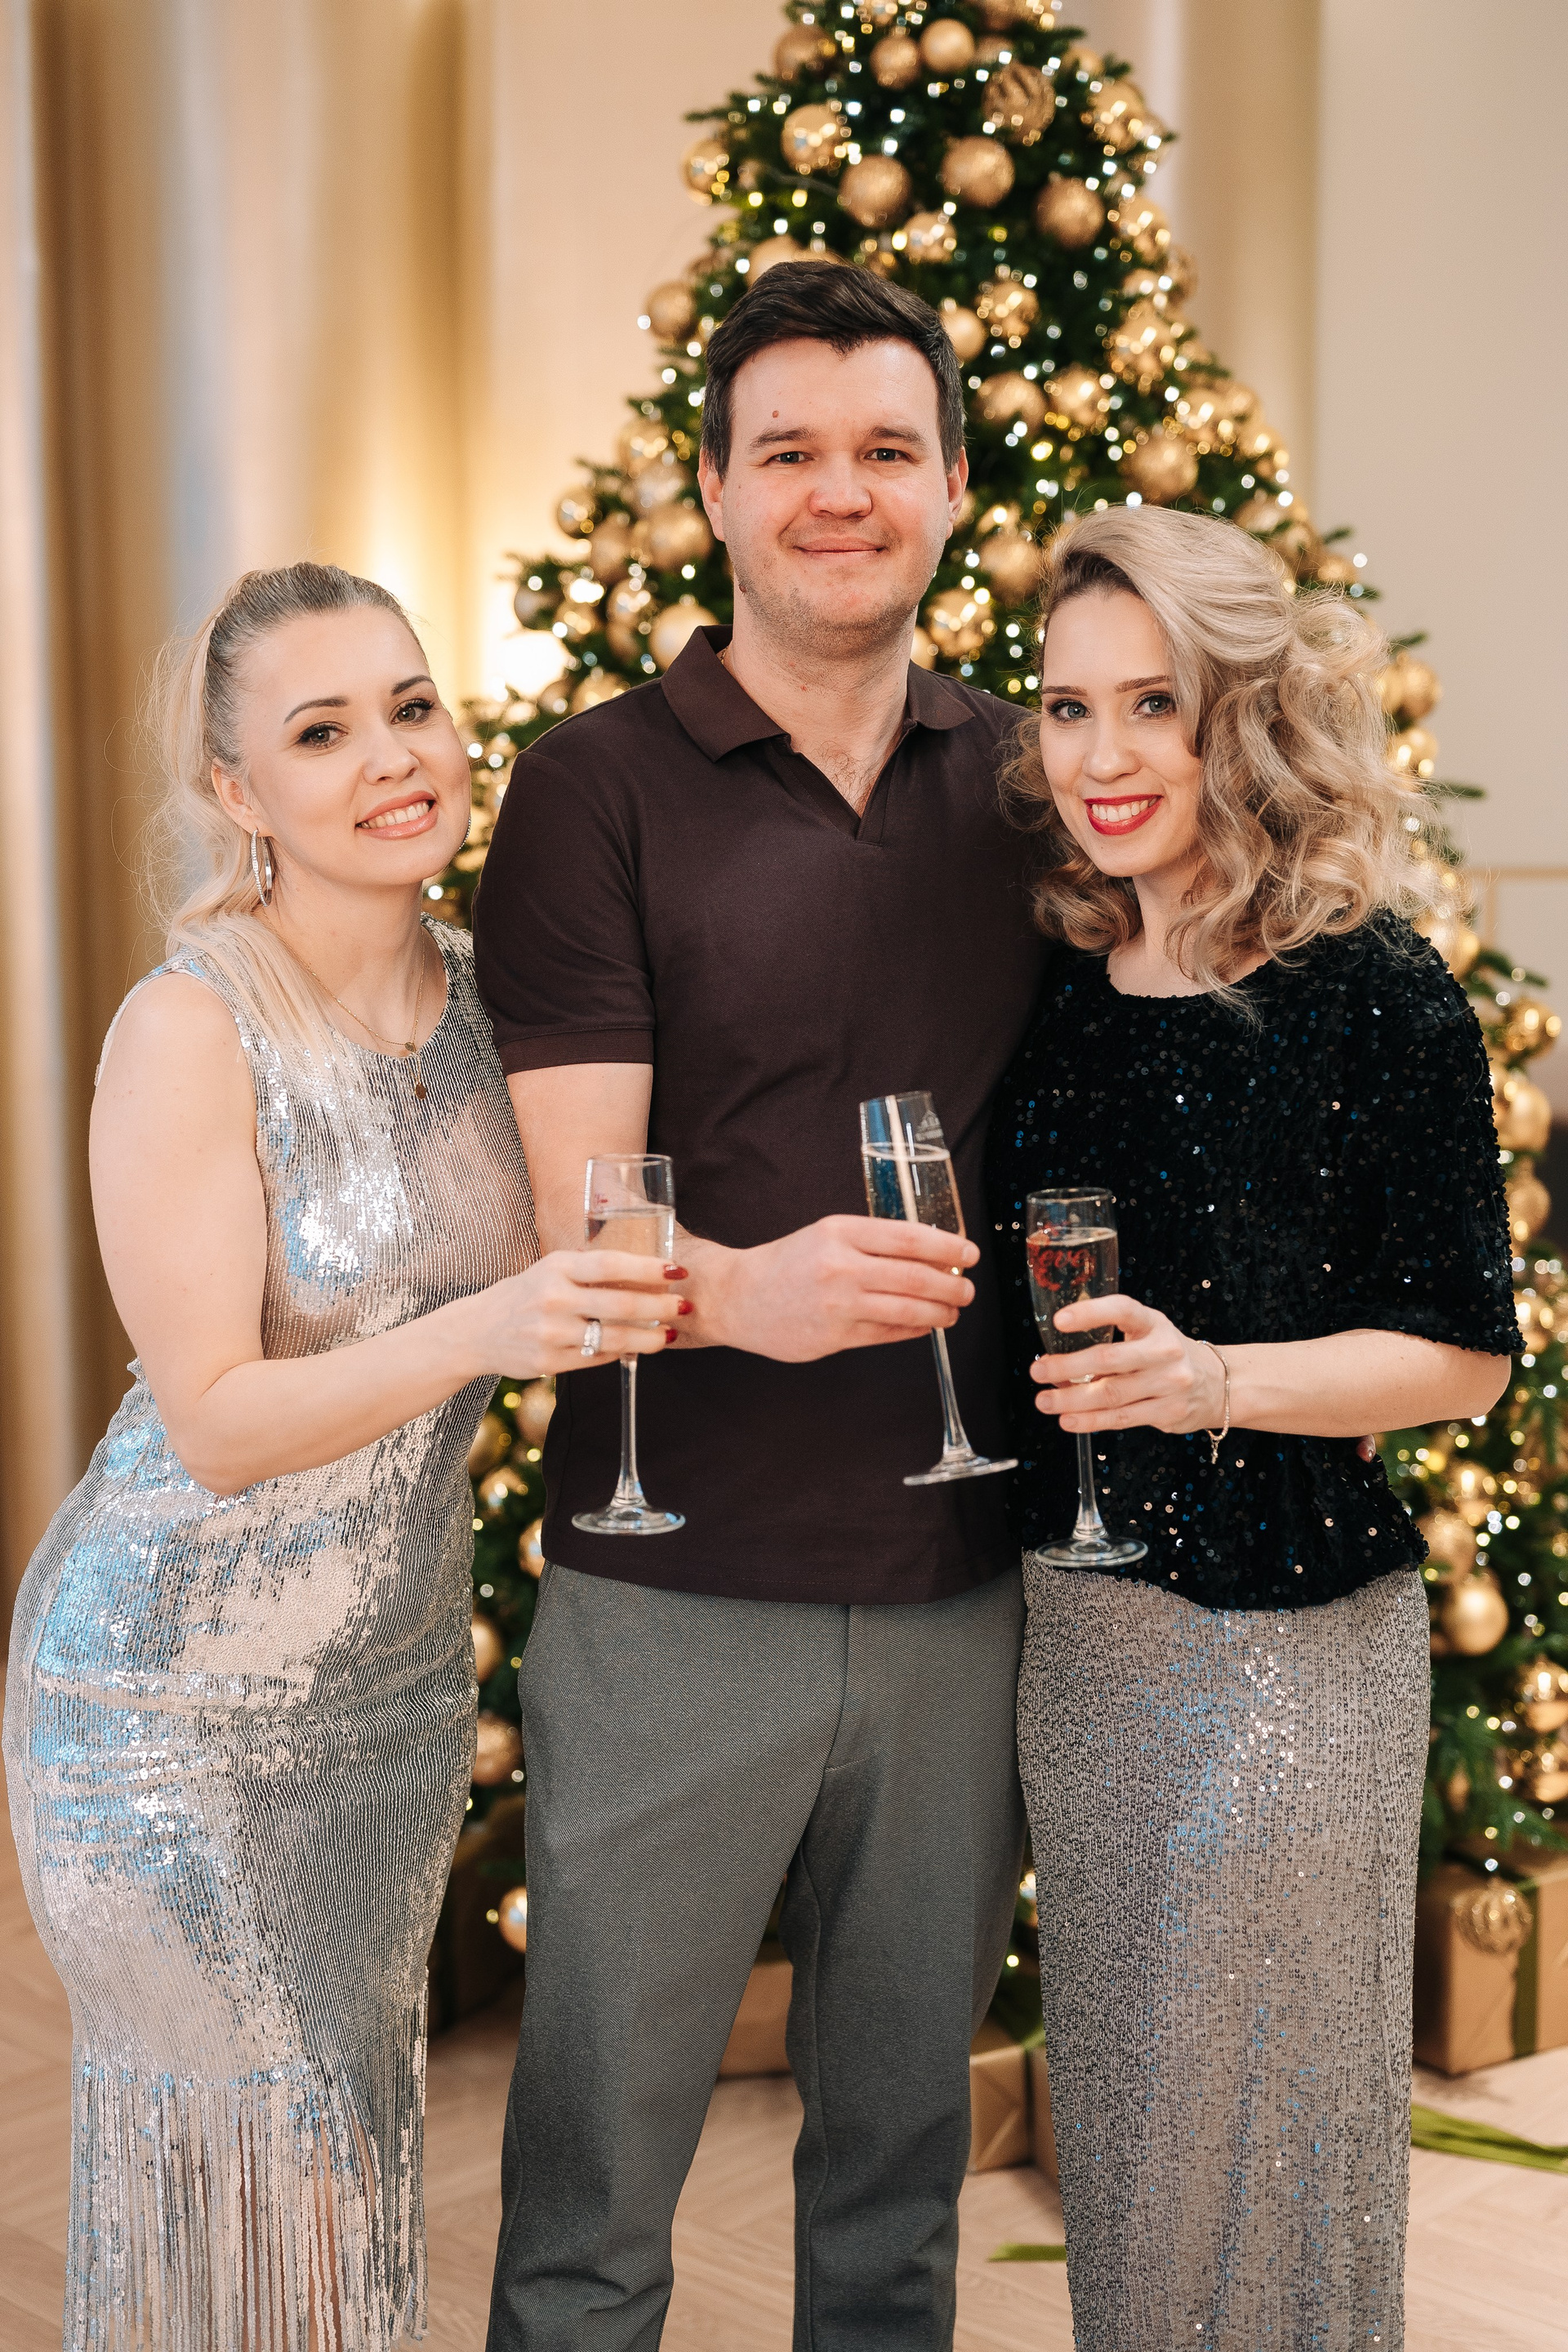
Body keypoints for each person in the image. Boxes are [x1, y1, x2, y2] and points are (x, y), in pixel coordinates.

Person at [3, 562, 681, 2352]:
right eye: (322, 732)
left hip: (386, 1701)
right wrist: (488, 1329)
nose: (394, 757)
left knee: (349, 2185)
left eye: (410, 705)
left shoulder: (502, 1002)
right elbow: (216, 1422)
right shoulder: (191, 1025)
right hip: (167, 1711)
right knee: (267, 2184)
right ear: (237, 790)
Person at [475, 263, 1047, 2349]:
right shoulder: (592, 786)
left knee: (898, 2197)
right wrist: (749, 1288)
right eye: (788, 451)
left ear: (954, 488)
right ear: (712, 490)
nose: (839, 492)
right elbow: (575, 1222)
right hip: (673, 1593)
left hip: (965, 1591)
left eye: (887, 450)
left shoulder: (1033, 780)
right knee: (594, 2209)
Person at [988, 505, 1517, 2350]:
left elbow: (1465, 1357)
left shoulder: (1377, 991)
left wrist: (1218, 1382)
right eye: (1069, 708)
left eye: (1157, 704)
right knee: (1137, 2144)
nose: (1104, 756)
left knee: (1276, 2137)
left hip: (1295, 1652)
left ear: (1249, 715)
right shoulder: (1057, 990)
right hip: (1083, 1643)